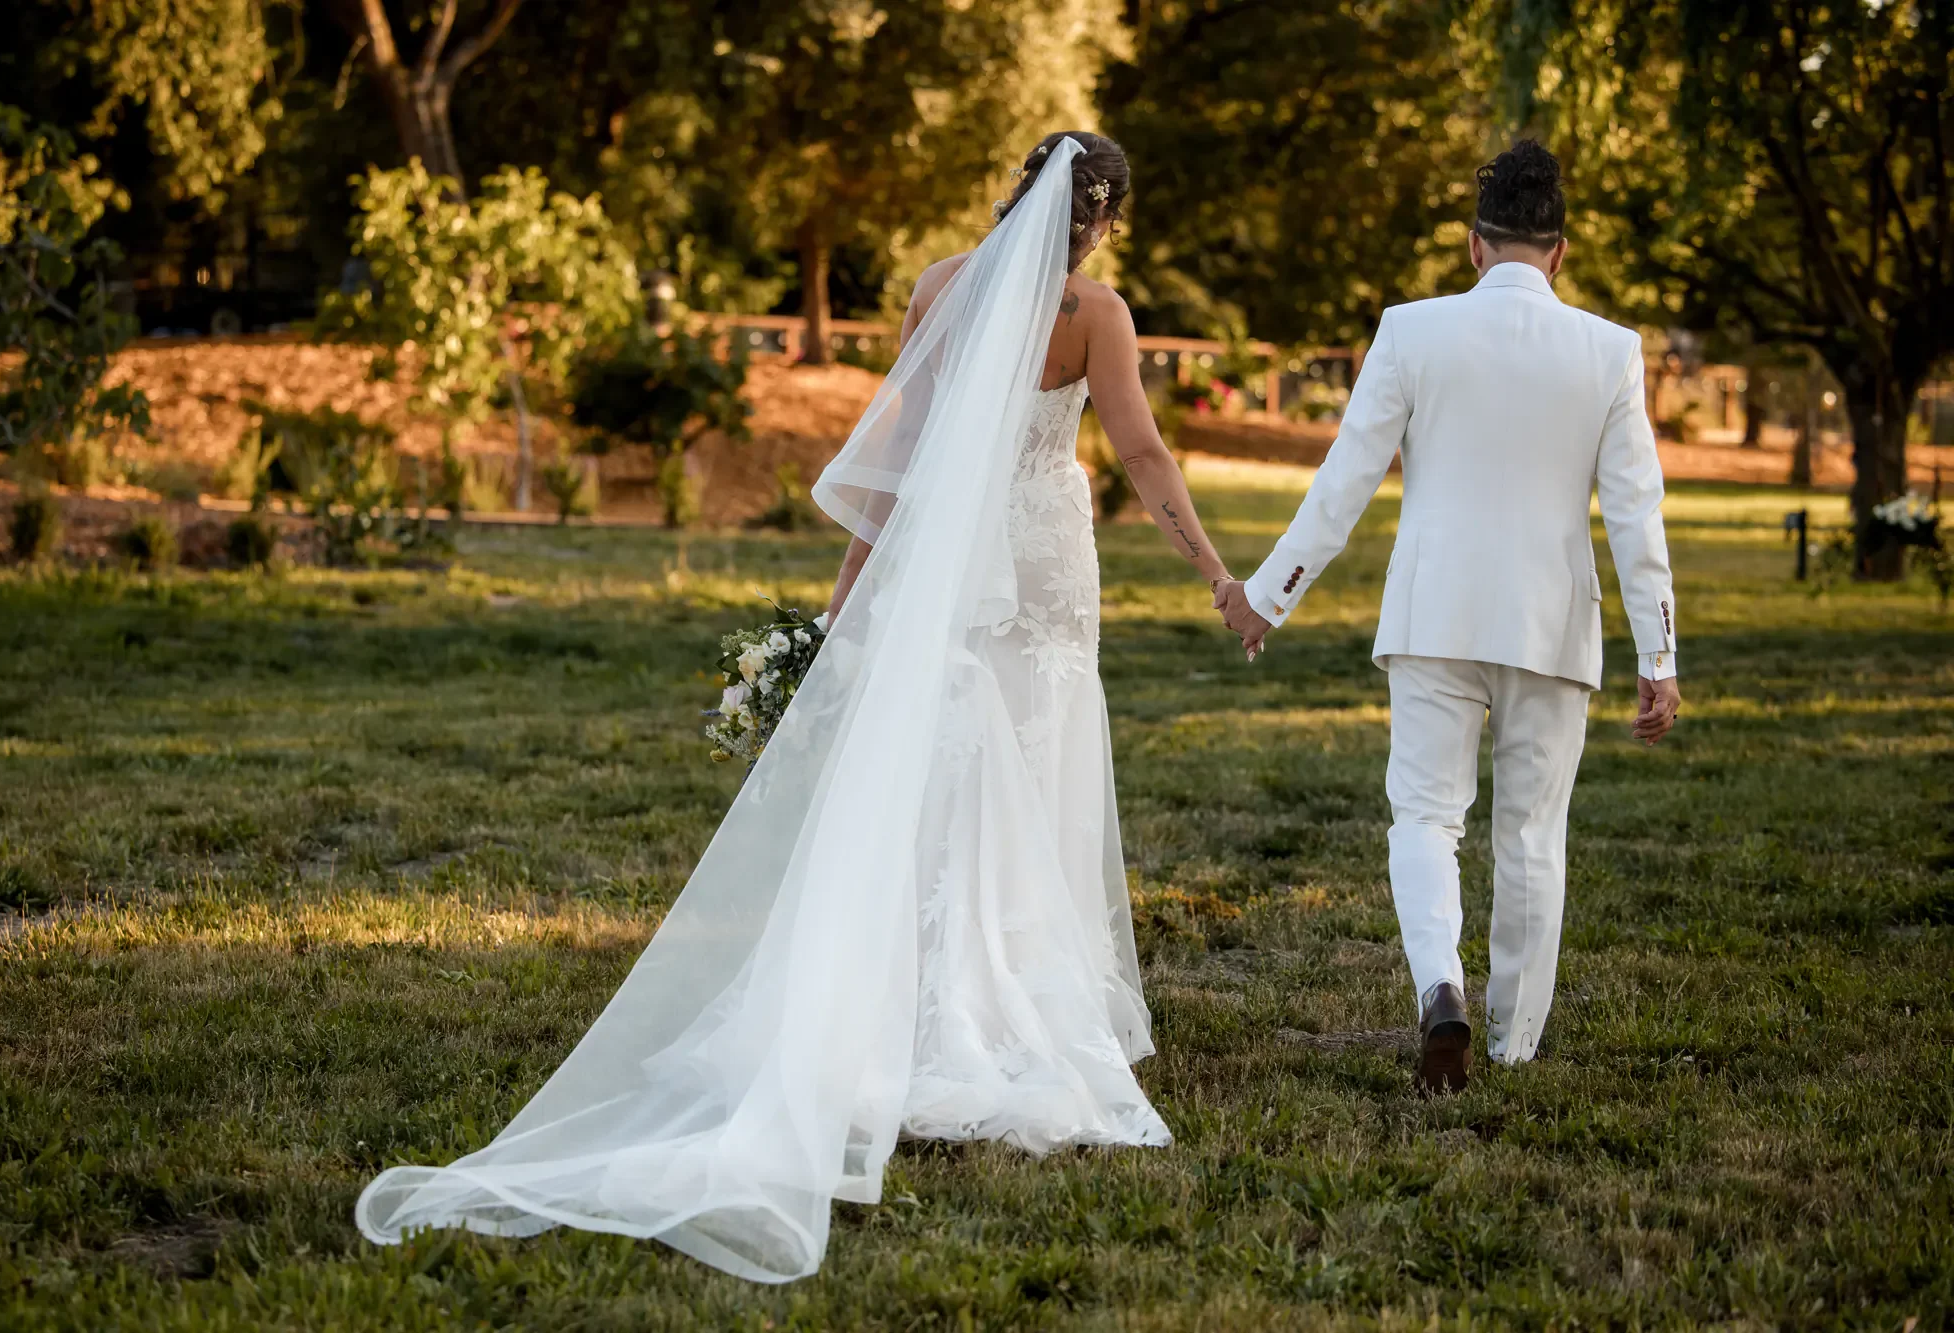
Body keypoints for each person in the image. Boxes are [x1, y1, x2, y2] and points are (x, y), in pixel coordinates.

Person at [357, 131, 1233, 1282]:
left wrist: (843, 609)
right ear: (1103, 219)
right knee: (1037, 756)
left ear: (1014, 190)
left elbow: (899, 463)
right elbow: (1141, 451)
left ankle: (917, 992)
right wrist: (1218, 573)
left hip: (944, 565)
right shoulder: (1095, 314)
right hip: (1043, 566)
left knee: (941, 764)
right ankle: (1008, 992)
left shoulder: (936, 289)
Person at [1217, 139, 1681, 1094]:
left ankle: (1440, 984)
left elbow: (1344, 481)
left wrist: (1268, 596)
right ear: (1560, 250)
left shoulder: (1410, 331)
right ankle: (1511, 1044)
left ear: (1476, 246)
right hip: (1553, 626)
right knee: (1531, 836)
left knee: (1425, 818)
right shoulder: (1611, 351)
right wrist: (1659, 653)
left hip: (1433, 617)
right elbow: (1637, 513)